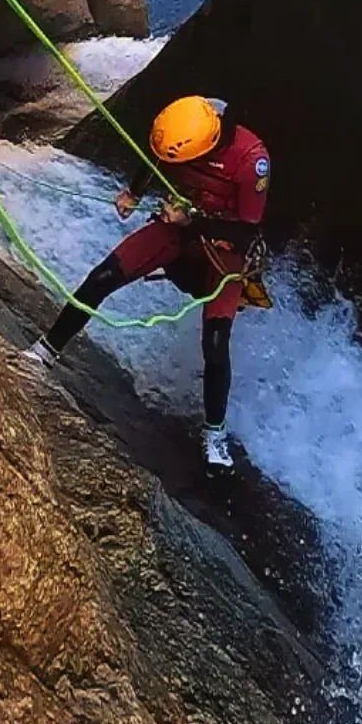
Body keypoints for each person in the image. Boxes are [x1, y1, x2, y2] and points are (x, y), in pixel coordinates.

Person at [22, 96, 271, 469]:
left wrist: (191, 222)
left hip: (223, 245)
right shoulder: (183, 129)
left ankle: (215, 435)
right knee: (103, 277)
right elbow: (158, 155)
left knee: (216, 341)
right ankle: (44, 352)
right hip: (177, 228)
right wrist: (135, 192)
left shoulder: (251, 161)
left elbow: (246, 232)